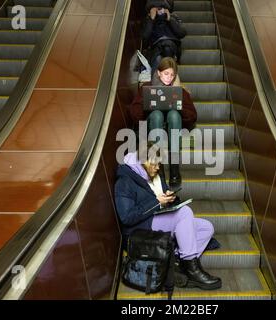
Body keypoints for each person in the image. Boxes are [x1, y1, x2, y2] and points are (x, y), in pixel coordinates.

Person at [114, 145, 222, 290]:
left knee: (206, 227)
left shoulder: (154, 175)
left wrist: (171, 199)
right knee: (185, 213)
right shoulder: (125, 181)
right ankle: (192, 269)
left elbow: (162, 197)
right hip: (140, 229)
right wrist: (157, 202)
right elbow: (126, 217)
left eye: (159, 163)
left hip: (157, 218)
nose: (158, 167)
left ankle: (176, 261)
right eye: (155, 163)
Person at [128, 57, 197, 187]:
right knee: (157, 115)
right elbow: (134, 114)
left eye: (172, 75)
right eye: (166, 74)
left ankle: (174, 168)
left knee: (174, 115)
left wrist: (178, 106)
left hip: (174, 128)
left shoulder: (179, 91)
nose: (169, 78)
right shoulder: (147, 87)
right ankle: (158, 168)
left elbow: (192, 116)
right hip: (153, 126)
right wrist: (148, 104)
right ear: (159, 73)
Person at [142, 0, 186, 71]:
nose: (158, 10)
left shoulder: (173, 17)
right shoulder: (148, 20)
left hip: (171, 45)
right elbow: (144, 38)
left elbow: (182, 33)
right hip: (156, 47)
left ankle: (169, 70)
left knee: (167, 48)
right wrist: (151, 20)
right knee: (158, 59)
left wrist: (170, 19)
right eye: (155, 8)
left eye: (160, 8)